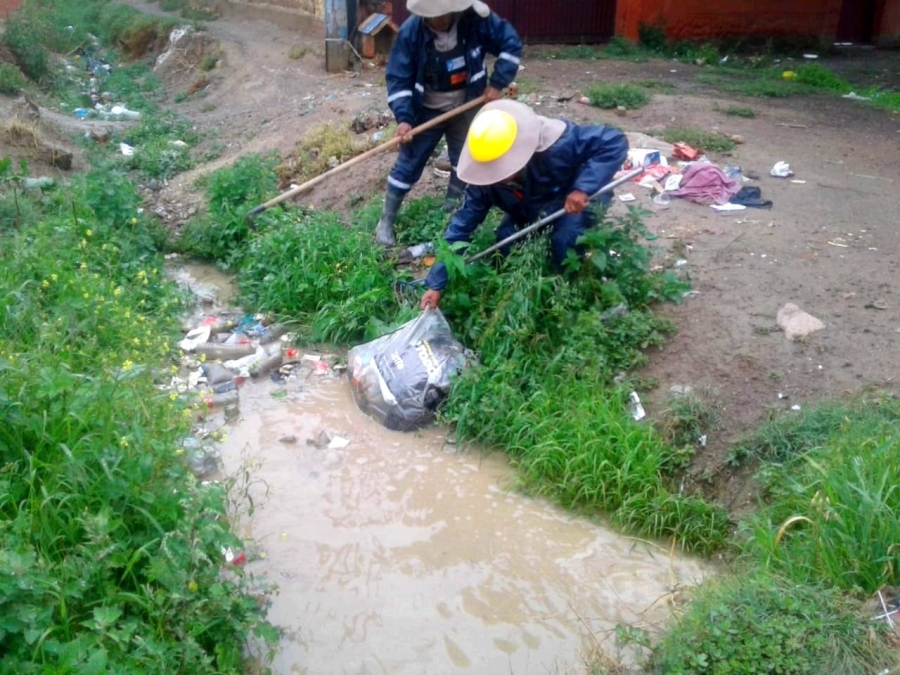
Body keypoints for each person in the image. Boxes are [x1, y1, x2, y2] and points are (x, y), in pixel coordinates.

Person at [419, 100, 629, 310]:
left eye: (498, 166)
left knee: (565, 240)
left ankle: (571, 295)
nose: (493, 173)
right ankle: (512, 295)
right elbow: (462, 224)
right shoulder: (484, 180)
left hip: (573, 199)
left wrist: (583, 188)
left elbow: (614, 142)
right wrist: (436, 283)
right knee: (505, 242)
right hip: (530, 203)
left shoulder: (559, 145)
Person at [375, 0, 522, 247]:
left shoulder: (475, 21)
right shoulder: (411, 32)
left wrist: (497, 83)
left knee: (464, 161)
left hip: (467, 104)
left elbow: (511, 44)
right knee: (408, 165)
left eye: (442, 16)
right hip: (426, 111)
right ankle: (385, 222)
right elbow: (398, 78)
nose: (437, 21)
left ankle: (450, 214)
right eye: (432, 17)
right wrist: (404, 119)